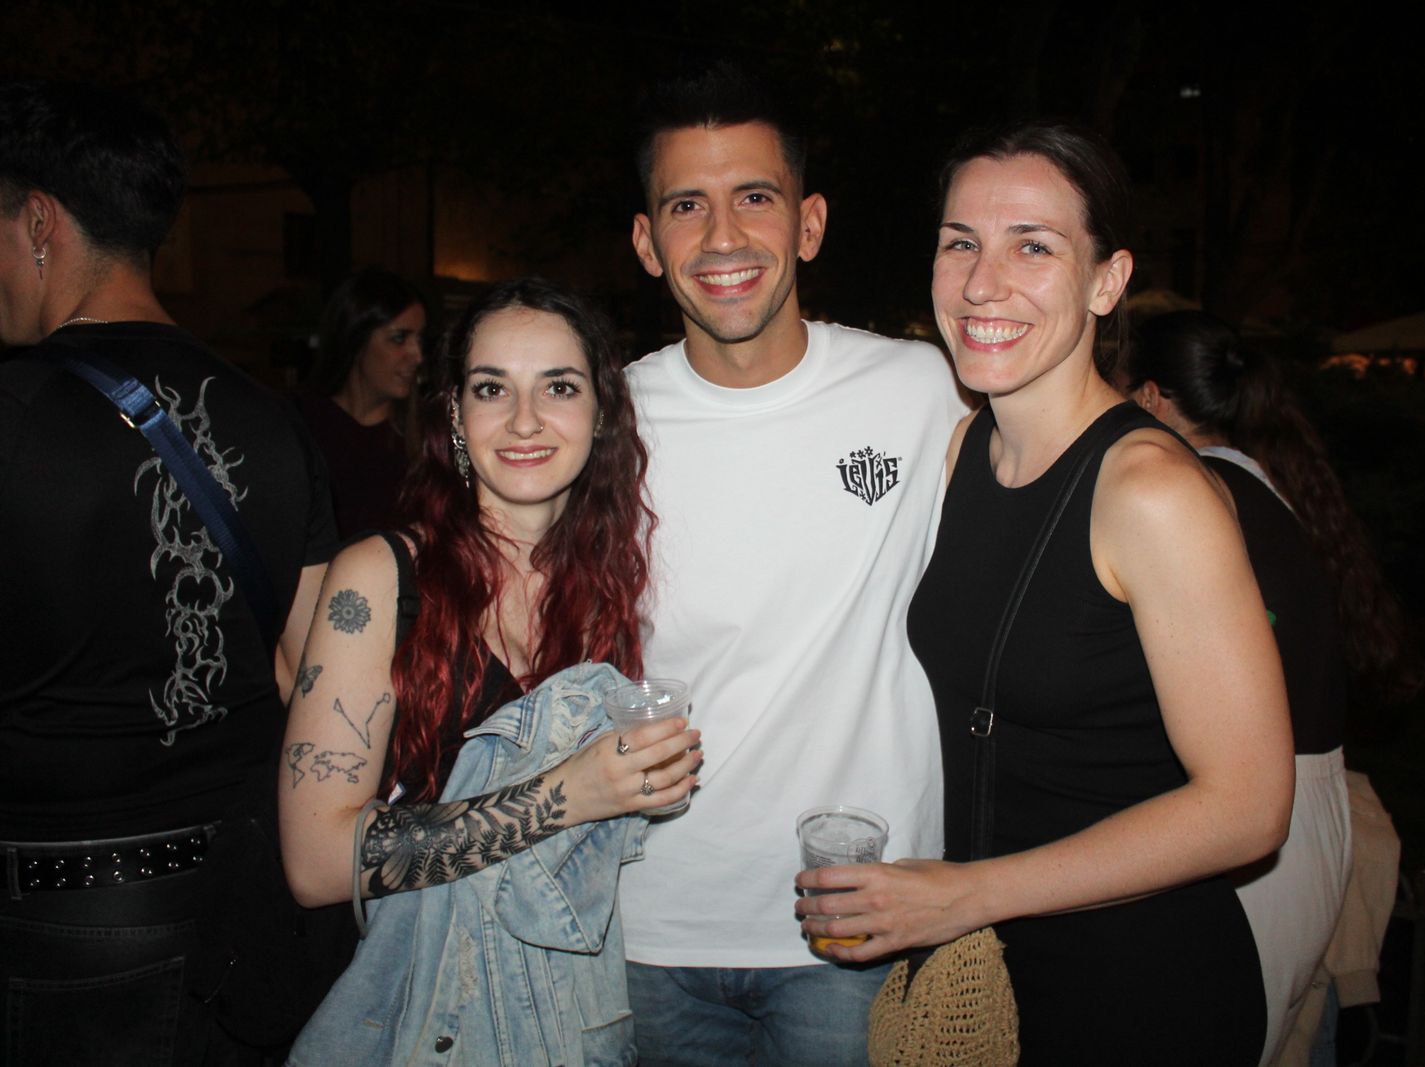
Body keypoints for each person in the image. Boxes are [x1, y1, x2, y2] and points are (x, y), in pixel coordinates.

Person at [796, 121, 1294, 1065]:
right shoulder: (963, 452)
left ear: (1108, 281)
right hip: (995, 977)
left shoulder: (1149, 489)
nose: (985, 283)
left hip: (1139, 986)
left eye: (1034, 245)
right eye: (960, 244)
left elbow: (1250, 806)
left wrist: (968, 891)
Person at [620, 65, 968, 1066]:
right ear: (648, 241)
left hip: (860, 929)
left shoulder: (923, 390)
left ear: (808, 224)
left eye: (754, 199)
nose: (723, 237)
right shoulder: (601, 422)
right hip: (647, 930)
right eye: (686, 205)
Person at [277, 276, 700, 1061]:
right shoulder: (378, 579)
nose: (526, 420)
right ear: (455, 415)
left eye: (560, 387)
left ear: (600, 414)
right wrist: (570, 793)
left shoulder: (611, 589)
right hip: (421, 1011)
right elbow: (315, 862)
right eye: (491, 388)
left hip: (567, 1016)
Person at [0, 80, 335, 1063]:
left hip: (57, 925)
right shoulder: (273, 421)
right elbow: (309, 676)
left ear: (41, 221)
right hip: (245, 908)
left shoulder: (13, 417)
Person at [1125, 310, 1355, 1066]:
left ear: (1152, 398)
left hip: (1258, 835)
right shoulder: (1262, 483)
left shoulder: (1190, 496)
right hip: (1314, 815)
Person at [297, 267, 426, 537]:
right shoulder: (300, 425)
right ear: (356, 339)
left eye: (419, 339)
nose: (417, 355)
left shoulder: (424, 436)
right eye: (399, 338)